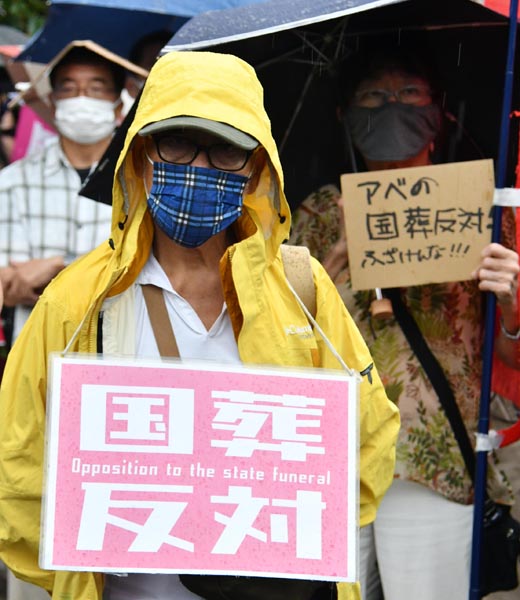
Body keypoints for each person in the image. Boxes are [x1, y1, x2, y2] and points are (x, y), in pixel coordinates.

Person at [0, 50, 400, 600]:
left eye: (226, 150)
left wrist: (287, 544)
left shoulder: (300, 287)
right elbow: (19, 463)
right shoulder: (80, 299)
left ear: (257, 167)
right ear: (140, 155)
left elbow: (367, 440)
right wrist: (76, 568)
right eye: (177, 143)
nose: (200, 167)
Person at [290, 48, 520, 600]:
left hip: (434, 458)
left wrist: (512, 306)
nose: (391, 106)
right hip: (332, 455)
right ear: (346, 113)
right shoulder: (318, 215)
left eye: (409, 93)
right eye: (373, 96)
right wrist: (331, 276)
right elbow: (286, 342)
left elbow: (510, 356)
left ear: (438, 110)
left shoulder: (484, 209)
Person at [0, 46, 124, 348]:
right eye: (69, 88)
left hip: (116, 349)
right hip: (36, 349)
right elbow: (11, 284)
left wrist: (56, 265)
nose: (82, 98)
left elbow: (139, 278)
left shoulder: (137, 182)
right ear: (53, 104)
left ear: (118, 106)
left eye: (96, 88)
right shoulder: (13, 181)